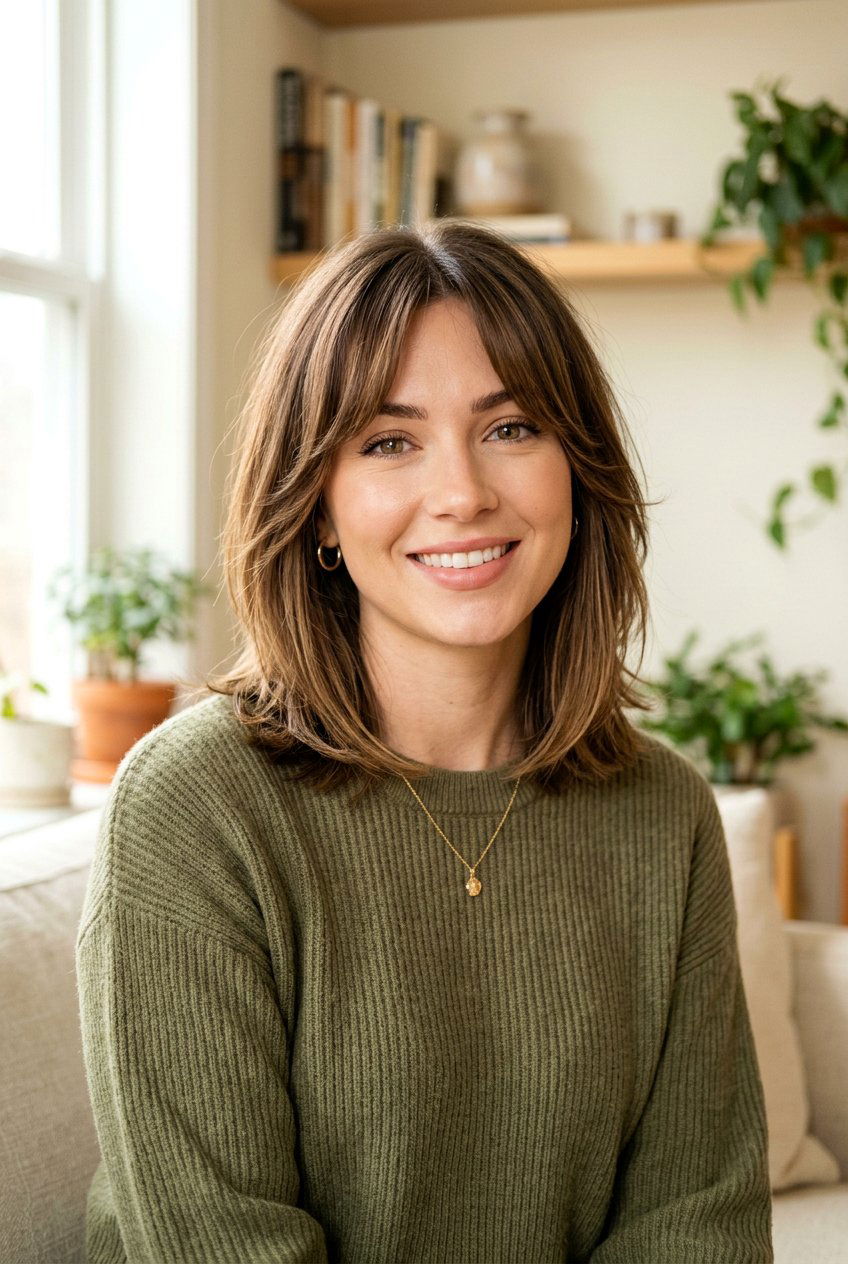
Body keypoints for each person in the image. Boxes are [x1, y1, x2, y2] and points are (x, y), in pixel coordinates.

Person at [75, 219, 774, 1262]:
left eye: (510, 427)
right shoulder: (192, 808)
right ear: (317, 503)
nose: (461, 493)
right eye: (388, 441)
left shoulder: (662, 813)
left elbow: (695, 1228)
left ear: (573, 475)